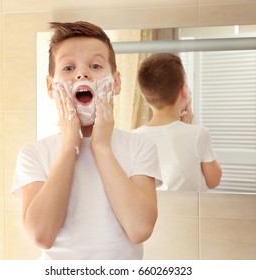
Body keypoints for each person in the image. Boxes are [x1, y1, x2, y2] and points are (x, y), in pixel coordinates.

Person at [11, 21, 162, 260]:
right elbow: (41, 235)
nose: (82, 74)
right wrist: (69, 143)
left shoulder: (140, 147)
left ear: (116, 82)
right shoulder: (34, 153)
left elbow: (140, 229)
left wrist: (101, 147)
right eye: (68, 68)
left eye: (95, 65)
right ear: (51, 87)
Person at [133, 53, 222, 191]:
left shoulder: (133, 138)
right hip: (191, 212)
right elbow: (213, 181)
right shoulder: (198, 134)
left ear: (144, 96)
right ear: (184, 90)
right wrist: (188, 128)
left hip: (153, 212)